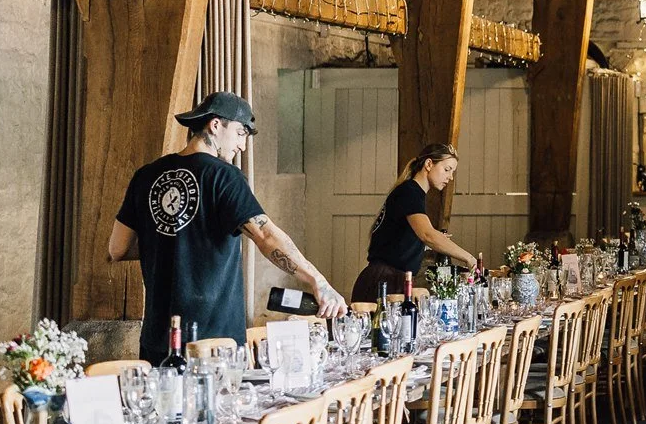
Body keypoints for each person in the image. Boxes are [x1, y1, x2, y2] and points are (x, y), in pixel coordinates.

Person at [107, 91, 346, 365]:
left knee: (165, 408)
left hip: (159, 339)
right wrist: (318, 282)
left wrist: (175, 242)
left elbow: (117, 248)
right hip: (215, 343)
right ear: (216, 125)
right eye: (241, 133)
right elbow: (265, 235)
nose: (243, 146)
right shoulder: (224, 176)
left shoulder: (146, 176)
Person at [352, 143, 480, 301]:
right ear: (428, 164)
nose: (450, 177)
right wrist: (470, 259)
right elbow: (427, 234)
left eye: (453, 172)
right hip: (383, 283)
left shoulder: (413, 193)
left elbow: (409, 238)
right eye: (447, 169)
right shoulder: (409, 192)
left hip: (392, 281)